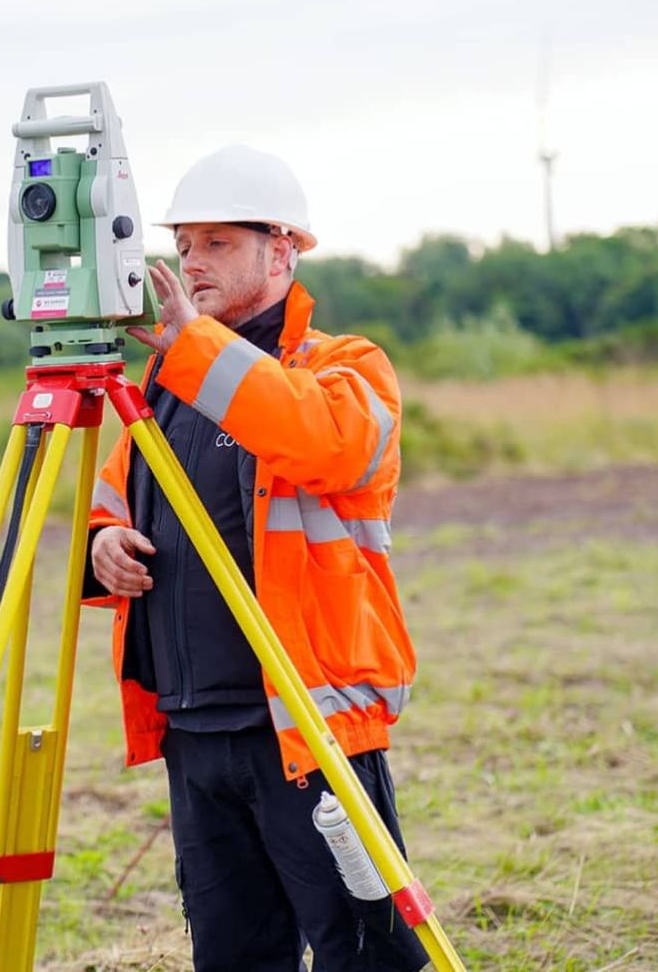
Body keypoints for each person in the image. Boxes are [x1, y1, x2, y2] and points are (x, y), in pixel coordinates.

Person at [82, 145, 430, 972]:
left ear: (283, 251)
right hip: (196, 732)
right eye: (184, 245)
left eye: (216, 244)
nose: (190, 263)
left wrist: (193, 348)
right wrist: (103, 538)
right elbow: (117, 485)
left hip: (308, 732)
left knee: (364, 956)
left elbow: (325, 442)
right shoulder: (170, 380)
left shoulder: (346, 367)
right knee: (234, 955)